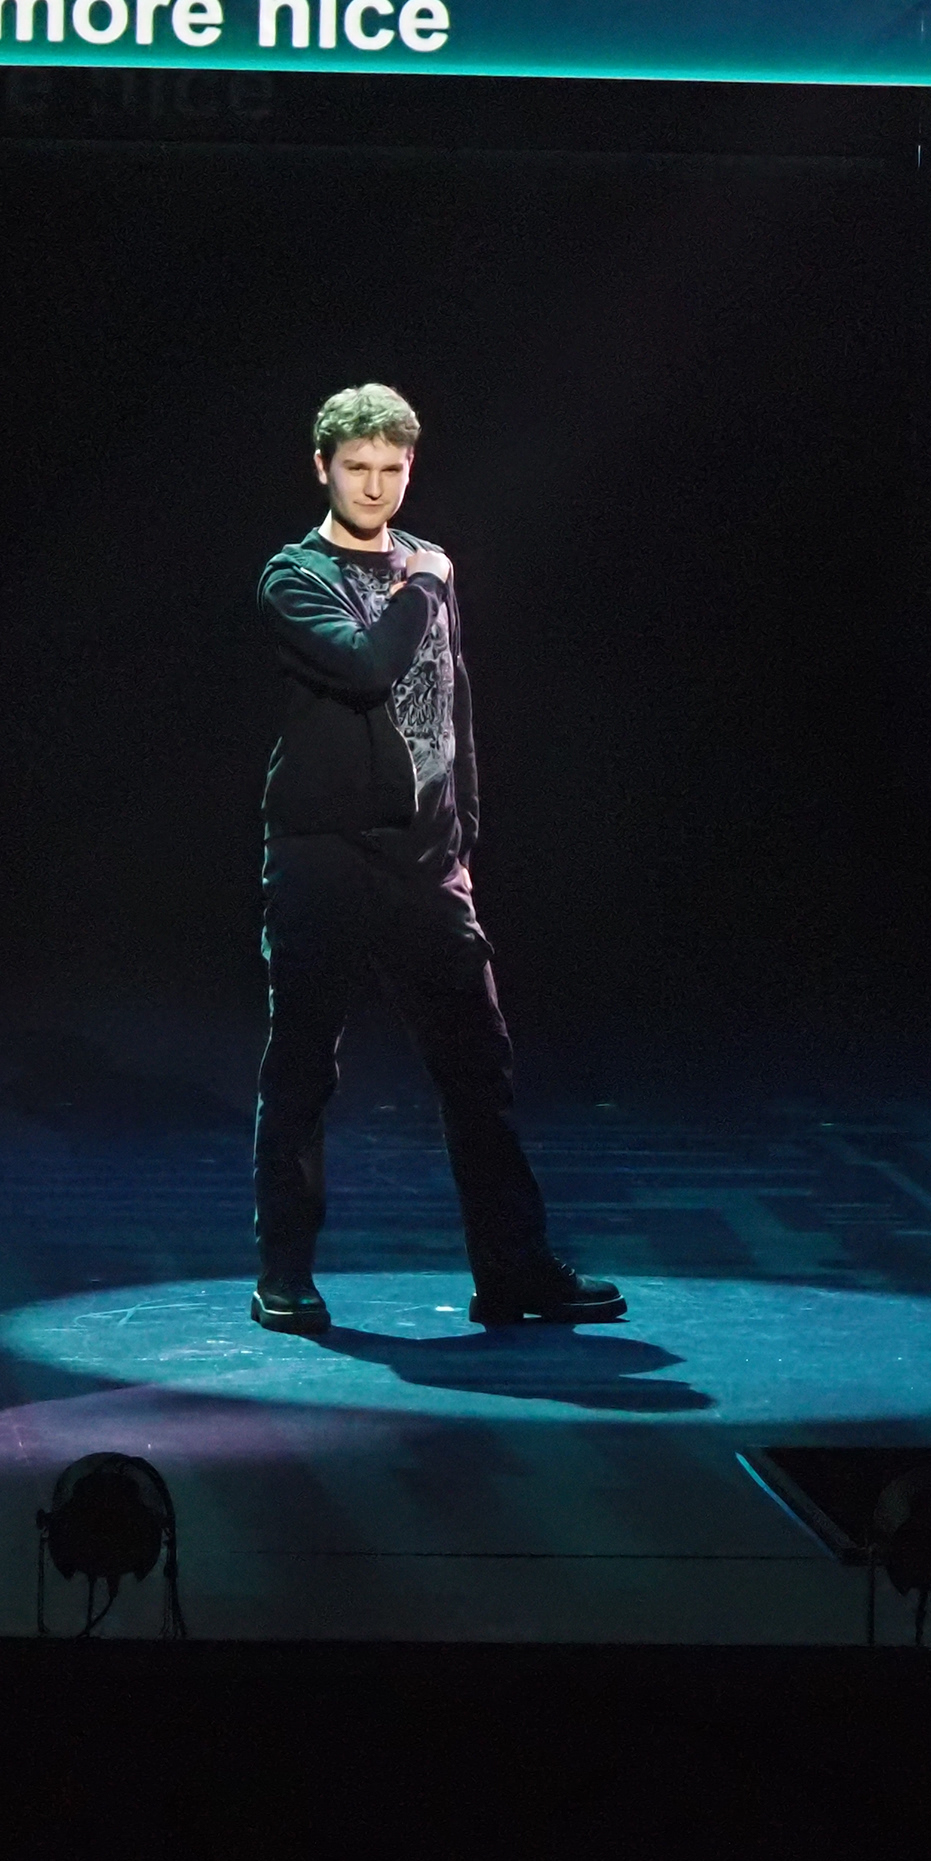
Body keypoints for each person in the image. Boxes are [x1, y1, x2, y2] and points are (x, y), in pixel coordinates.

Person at [247, 382, 623, 1335]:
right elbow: (369, 667)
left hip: (426, 863)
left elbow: (452, 699)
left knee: (479, 1067)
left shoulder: (429, 566)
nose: (375, 487)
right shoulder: (294, 577)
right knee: (304, 1067)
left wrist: (465, 830)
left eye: (392, 469)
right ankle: (283, 1274)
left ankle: (514, 1270)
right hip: (326, 856)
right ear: (323, 468)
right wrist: (422, 585)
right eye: (357, 468)